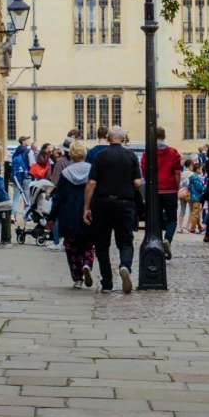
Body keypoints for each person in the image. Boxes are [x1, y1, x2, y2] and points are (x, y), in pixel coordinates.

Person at [83, 125, 143, 293]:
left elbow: (92, 183)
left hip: (102, 203)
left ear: (108, 138)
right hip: (124, 203)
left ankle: (107, 282)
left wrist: (86, 207)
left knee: (102, 245)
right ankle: (125, 267)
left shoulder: (100, 156)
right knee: (125, 242)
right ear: (123, 139)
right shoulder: (130, 156)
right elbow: (138, 183)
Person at [54, 148, 96, 287]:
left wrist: (51, 217)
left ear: (71, 155)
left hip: (69, 214)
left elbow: (59, 197)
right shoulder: (92, 170)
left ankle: (78, 278)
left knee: (72, 247)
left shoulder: (66, 173)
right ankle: (87, 264)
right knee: (89, 244)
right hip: (88, 212)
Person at [149, 126, 183, 257]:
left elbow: (146, 172)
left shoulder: (149, 152)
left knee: (156, 219)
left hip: (155, 191)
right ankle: (167, 239)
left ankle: (157, 244)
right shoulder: (173, 152)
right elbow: (177, 174)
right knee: (172, 219)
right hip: (169, 190)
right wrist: (177, 187)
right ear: (164, 136)